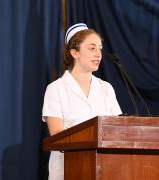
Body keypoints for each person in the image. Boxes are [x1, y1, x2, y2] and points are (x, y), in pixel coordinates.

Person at [42, 23, 122, 180]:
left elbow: (116, 132)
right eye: (92, 48)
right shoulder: (56, 89)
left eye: (100, 48)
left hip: (104, 169)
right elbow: (57, 135)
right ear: (74, 52)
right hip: (68, 168)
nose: (98, 54)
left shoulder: (106, 88)